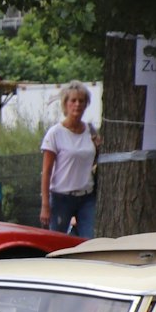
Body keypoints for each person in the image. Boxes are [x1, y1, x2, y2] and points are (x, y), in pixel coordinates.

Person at [38, 81, 99, 237]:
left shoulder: (90, 131)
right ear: (65, 104)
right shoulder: (55, 133)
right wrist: (45, 205)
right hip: (61, 197)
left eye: (81, 101)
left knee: (89, 240)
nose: (77, 105)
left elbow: (94, 160)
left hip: (86, 196)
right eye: (73, 101)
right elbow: (46, 171)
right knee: (57, 242)